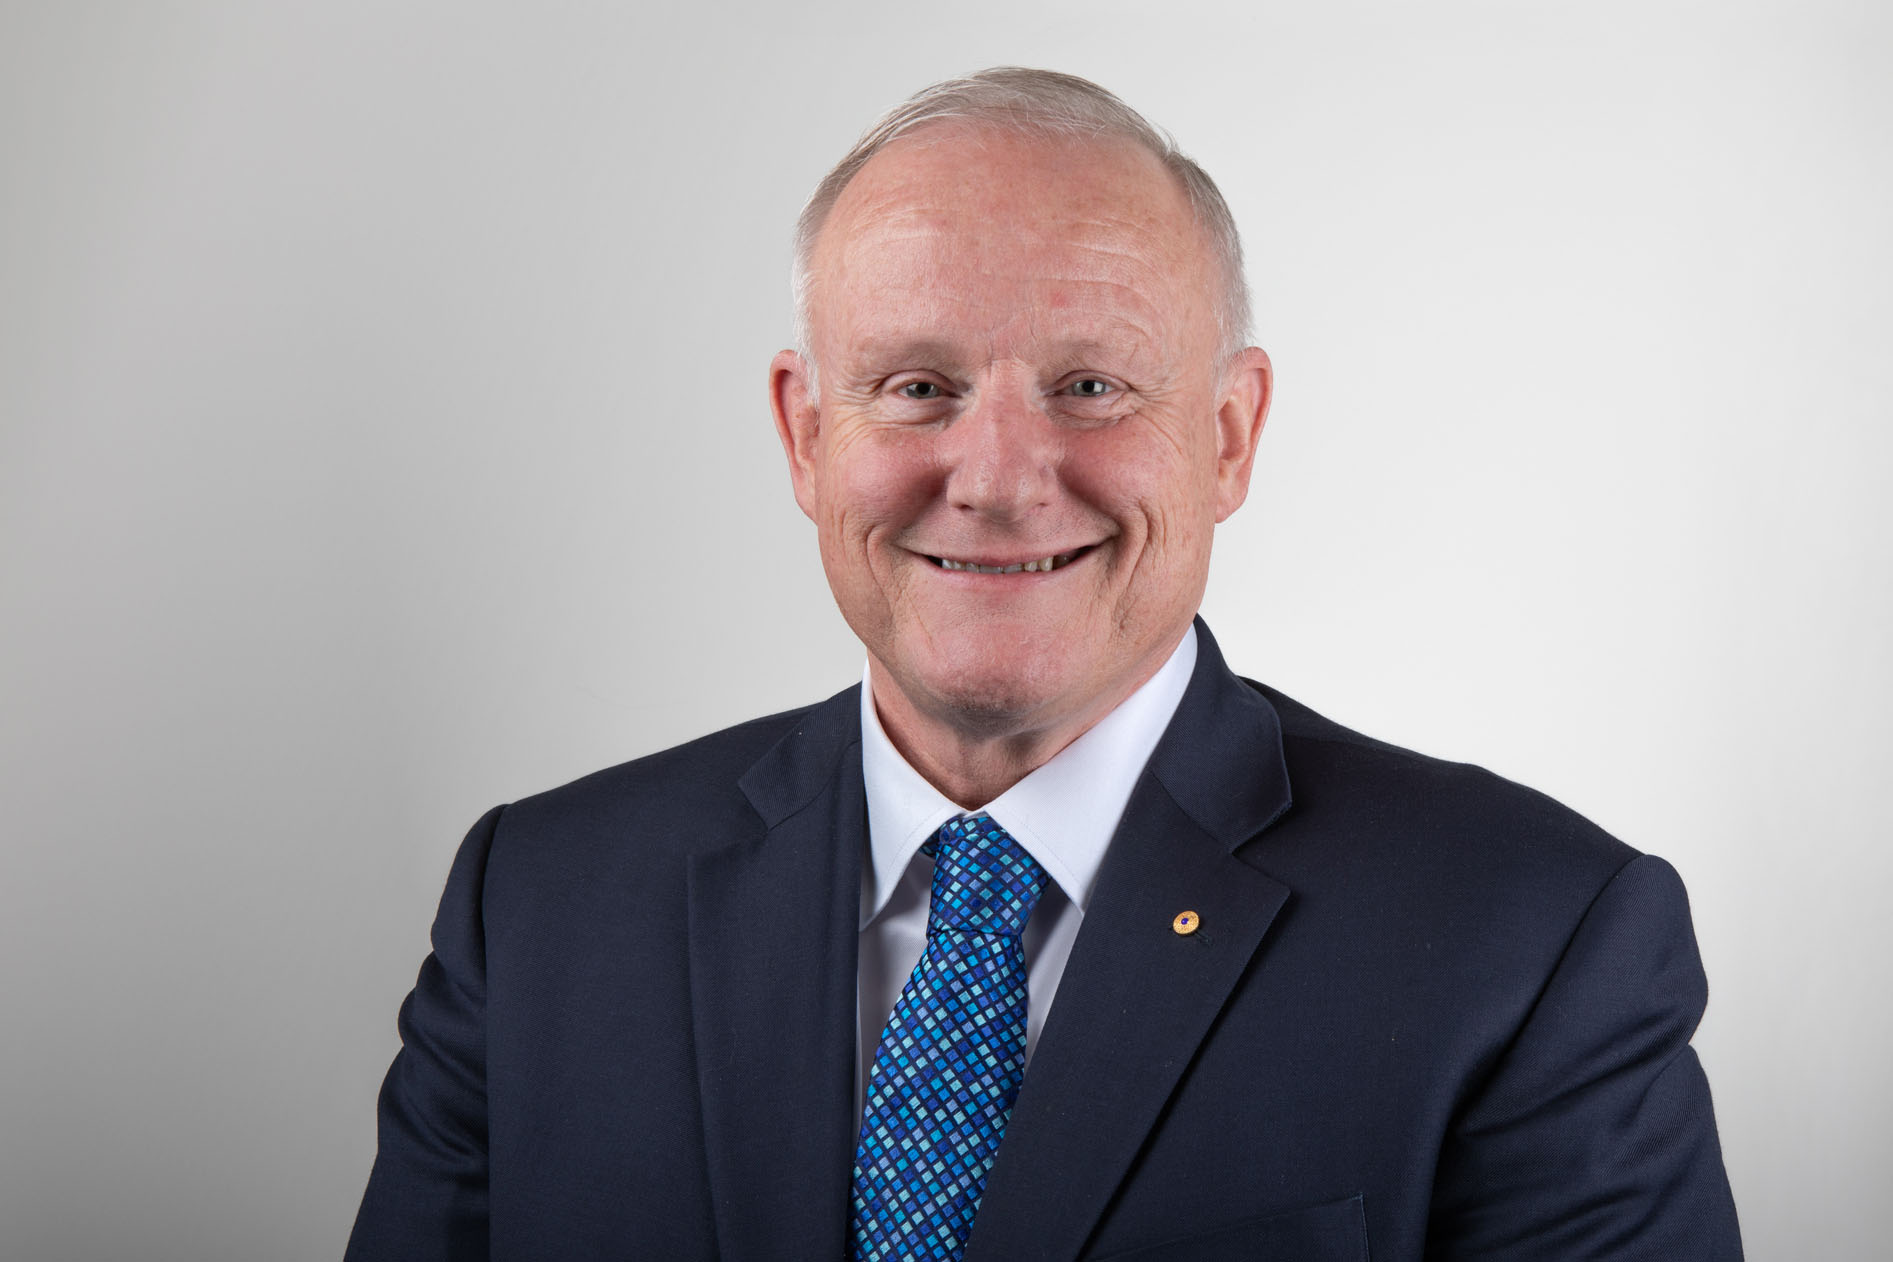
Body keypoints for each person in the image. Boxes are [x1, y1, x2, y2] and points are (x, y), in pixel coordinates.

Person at [345, 68, 1741, 1261]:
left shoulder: (1533, 940)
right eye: (915, 386)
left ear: (1227, 437)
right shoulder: (536, 906)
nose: (1000, 478)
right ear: (801, 433)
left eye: (1089, 386)